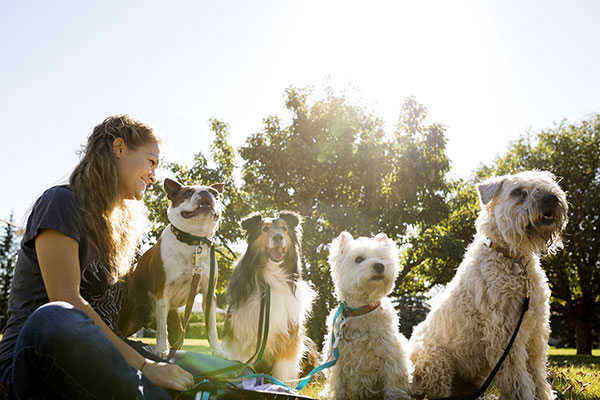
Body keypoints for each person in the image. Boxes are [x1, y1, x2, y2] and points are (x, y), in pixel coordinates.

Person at [0, 115, 194, 399]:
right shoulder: (61, 203)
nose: (154, 176)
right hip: (33, 360)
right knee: (56, 316)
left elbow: (129, 316)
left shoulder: (128, 235)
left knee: (201, 366)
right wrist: (144, 365)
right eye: (151, 161)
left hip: (103, 360)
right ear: (119, 148)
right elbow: (66, 298)